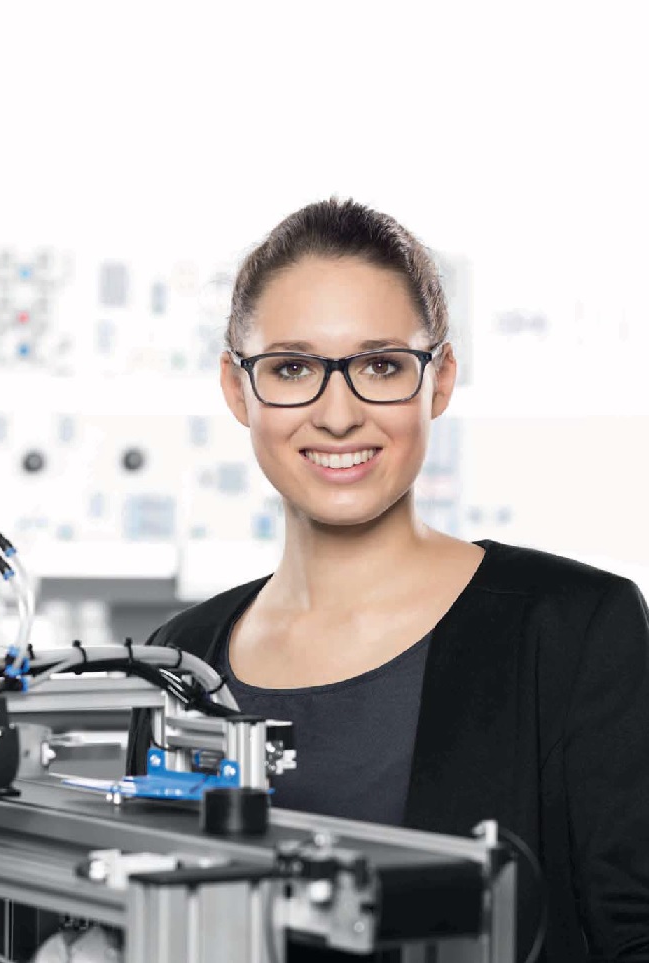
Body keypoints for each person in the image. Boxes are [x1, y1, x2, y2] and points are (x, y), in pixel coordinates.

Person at [126, 198, 649, 962]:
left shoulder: (573, 628)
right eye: (293, 367)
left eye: (380, 365)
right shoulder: (179, 658)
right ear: (238, 389)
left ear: (440, 381)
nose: (338, 415)